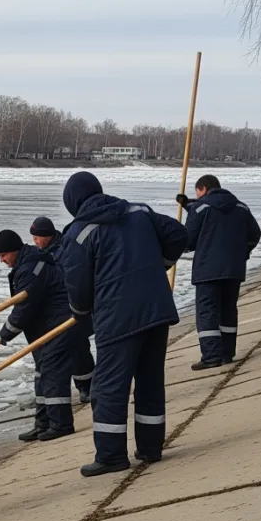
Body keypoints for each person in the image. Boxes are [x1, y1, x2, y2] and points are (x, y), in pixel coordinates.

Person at [57, 172, 188, 477]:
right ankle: (150, 447)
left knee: (108, 388)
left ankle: (111, 454)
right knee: (150, 380)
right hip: (157, 310)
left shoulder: (79, 233)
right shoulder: (139, 211)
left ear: (73, 203)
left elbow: (76, 286)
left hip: (118, 318)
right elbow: (179, 235)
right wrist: (162, 263)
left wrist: (81, 313)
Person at [0, 229, 76, 443]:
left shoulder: (30, 268)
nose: (2, 261)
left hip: (58, 324)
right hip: (44, 327)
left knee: (52, 373)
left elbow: (25, 307)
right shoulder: (27, 262)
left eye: (4, 255)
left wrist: (6, 332)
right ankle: (43, 423)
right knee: (42, 374)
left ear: (15, 251)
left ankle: (61, 424)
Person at [178, 175, 261, 371]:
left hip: (208, 269)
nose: (196, 197)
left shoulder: (200, 209)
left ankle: (211, 356)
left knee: (207, 311)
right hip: (234, 269)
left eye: (197, 192)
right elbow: (254, 235)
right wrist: (244, 253)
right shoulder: (241, 207)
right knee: (228, 309)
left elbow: (189, 240)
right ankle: (226, 353)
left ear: (204, 188)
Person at [30, 216, 94, 402]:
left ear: (47, 235)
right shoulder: (42, 252)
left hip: (74, 309)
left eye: (37, 237)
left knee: (79, 349)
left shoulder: (64, 250)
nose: (34, 241)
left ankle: (87, 387)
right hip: (56, 312)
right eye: (32, 237)